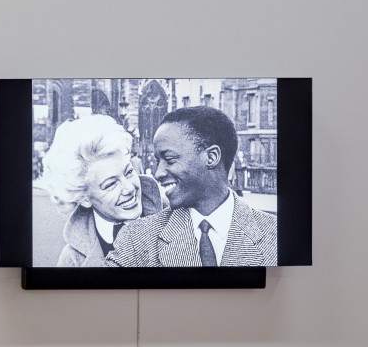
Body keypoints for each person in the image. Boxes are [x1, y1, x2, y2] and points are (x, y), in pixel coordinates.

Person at [105, 106, 277, 267]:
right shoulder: (136, 238)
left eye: (170, 160)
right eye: (158, 161)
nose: (158, 173)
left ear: (211, 157)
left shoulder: (277, 235)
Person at [39, 115, 167, 267]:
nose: (129, 188)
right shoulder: (72, 260)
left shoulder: (179, 217)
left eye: (129, 172)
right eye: (111, 184)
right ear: (84, 198)